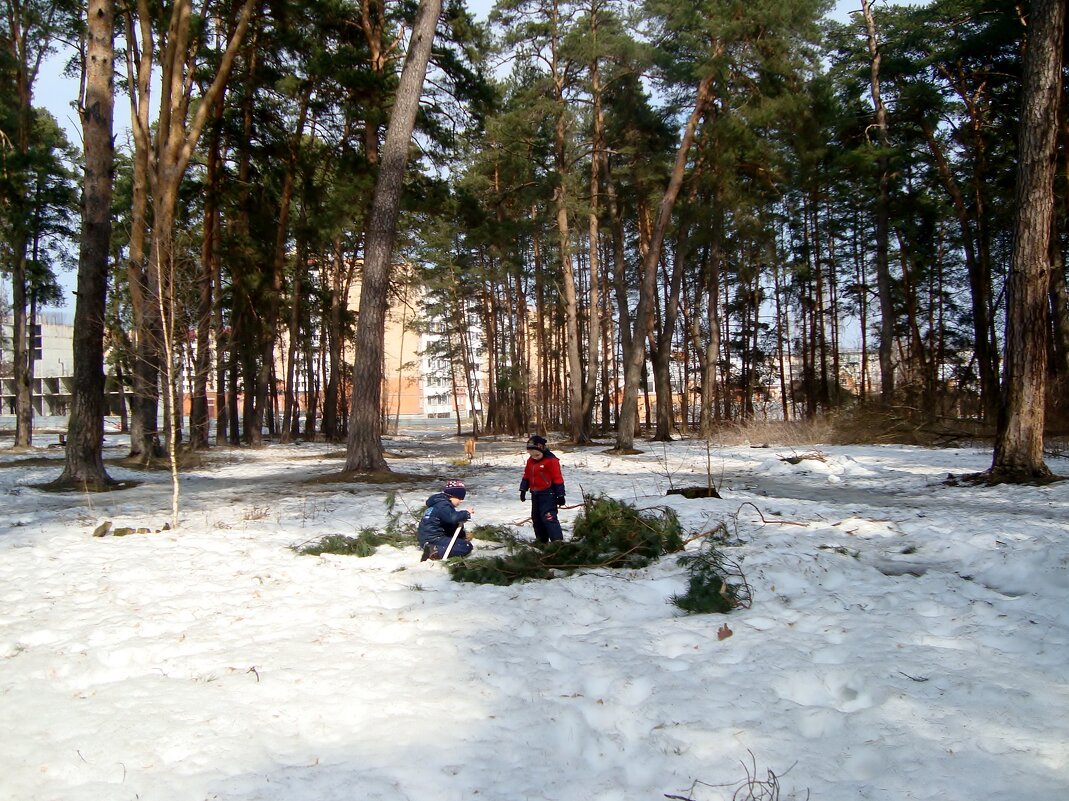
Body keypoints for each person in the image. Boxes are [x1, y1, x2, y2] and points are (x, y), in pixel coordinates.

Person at [519, 435, 566, 543]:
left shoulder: (551, 461)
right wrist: (523, 489)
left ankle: (557, 541)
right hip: (535, 494)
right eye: (531, 455)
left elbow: (558, 478)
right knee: (536, 518)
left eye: (537, 455)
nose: (534, 457)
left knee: (548, 517)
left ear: (543, 449)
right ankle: (541, 541)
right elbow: (527, 475)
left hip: (548, 494)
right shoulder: (531, 461)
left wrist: (560, 495)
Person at [418, 479, 474, 561]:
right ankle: (435, 550)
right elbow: (453, 518)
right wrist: (466, 513)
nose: (461, 501)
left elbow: (450, 524)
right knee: (465, 546)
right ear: (452, 496)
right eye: (460, 498)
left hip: (427, 538)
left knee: (459, 540)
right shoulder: (443, 506)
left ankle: (433, 548)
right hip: (434, 539)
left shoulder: (438, 504)